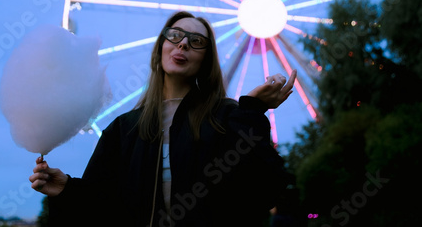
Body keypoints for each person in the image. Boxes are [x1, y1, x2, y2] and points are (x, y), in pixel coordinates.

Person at [30, 11, 296, 226]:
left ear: (206, 60)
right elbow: (103, 207)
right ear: (160, 48)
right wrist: (66, 190)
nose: (183, 43)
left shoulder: (228, 117)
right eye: (176, 35)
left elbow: (266, 189)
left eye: (196, 41)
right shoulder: (124, 129)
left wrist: (252, 111)